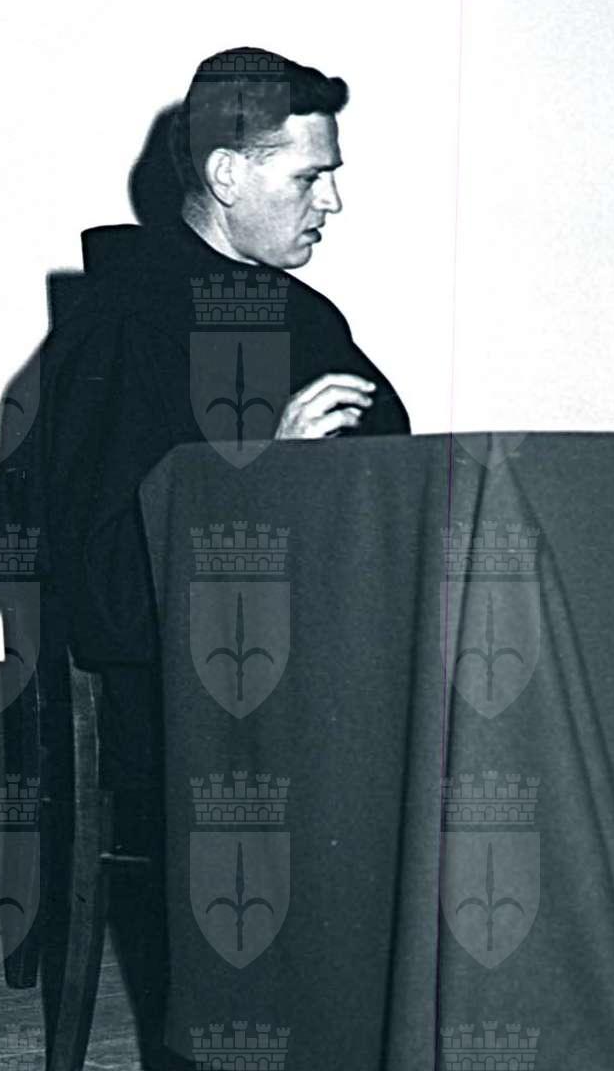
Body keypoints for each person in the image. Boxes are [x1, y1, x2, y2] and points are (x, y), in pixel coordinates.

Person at [41, 47, 411, 789]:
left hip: (331, 676)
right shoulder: (123, 326)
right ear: (226, 176)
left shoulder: (309, 320)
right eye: (309, 177)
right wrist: (263, 476)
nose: (333, 201)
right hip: (197, 721)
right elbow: (106, 594)